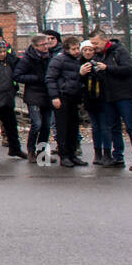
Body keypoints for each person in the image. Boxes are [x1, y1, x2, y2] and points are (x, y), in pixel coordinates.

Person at [89, 27, 132, 172]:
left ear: (105, 40)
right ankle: (118, 156)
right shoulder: (98, 56)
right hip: (108, 96)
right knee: (114, 127)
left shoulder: (120, 51)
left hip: (125, 95)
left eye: (96, 43)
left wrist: (107, 68)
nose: (94, 47)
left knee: (130, 126)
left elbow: (129, 69)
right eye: (92, 44)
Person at [46, 36, 88, 167]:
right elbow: (50, 79)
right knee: (63, 128)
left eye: (77, 48)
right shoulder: (59, 60)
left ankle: (72, 154)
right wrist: (54, 97)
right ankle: (64, 155)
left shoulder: (77, 60)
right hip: (62, 97)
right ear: (67, 49)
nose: (76, 51)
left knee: (73, 128)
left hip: (73, 98)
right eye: (73, 49)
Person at [14, 34, 56, 161]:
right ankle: (31, 150)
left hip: (47, 94)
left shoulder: (50, 57)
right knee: (37, 124)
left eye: (47, 44)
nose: (46, 47)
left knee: (46, 125)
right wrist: (36, 78)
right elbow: (17, 75)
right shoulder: (27, 59)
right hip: (34, 95)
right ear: (35, 46)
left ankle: (42, 152)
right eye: (43, 45)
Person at [78, 41, 110, 164]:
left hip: (102, 99)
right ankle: (97, 153)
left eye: (90, 50)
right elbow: (78, 81)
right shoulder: (80, 64)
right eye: (85, 50)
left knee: (104, 127)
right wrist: (81, 74)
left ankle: (107, 152)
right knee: (95, 127)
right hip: (89, 100)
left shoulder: (100, 62)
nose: (87, 52)